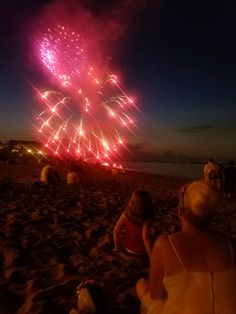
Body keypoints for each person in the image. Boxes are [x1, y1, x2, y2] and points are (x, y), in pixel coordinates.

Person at [136, 181, 236, 314]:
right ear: (211, 215)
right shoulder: (230, 245)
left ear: (180, 210)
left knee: (141, 284)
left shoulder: (165, 243)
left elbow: (156, 295)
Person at [113, 188, 154, 258]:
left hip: (127, 247)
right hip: (140, 252)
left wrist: (117, 248)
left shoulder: (125, 214)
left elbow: (115, 231)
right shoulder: (146, 219)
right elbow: (146, 239)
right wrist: (152, 258)